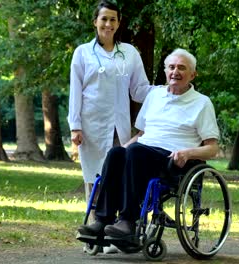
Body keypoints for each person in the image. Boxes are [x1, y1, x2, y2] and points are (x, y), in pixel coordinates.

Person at [77, 48, 220, 240]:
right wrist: (122, 149)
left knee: (136, 151)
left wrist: (187, 153)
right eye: (171, 67)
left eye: (181, 68)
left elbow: (212, 148)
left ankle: (128, 220)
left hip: (173, 160)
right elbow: (142, 134)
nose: (175, 72)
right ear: (165, 71)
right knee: (117, 153)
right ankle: (103, 221)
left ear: (192, 74)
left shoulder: (202, 103)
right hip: (142, 151)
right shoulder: (154, 96)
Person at [67, 0, 154, 217]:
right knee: (94, 178)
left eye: (112, 19)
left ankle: (113, 229)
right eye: (104, 18)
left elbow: (139, 90)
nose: (108, 24)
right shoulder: (82, 53)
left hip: (119, 125)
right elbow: (75, 91)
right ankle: (94, 233)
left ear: (119, 23)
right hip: (91, 126)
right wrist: (75, 126)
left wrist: (164, 92)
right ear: (95, 21)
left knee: (118, 175)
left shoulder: (130, 53)